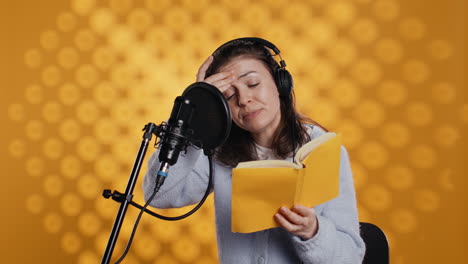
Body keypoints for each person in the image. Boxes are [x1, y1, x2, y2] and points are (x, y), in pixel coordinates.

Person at [143, 38, 365, 263]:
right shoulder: (217, 152)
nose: (244, 100)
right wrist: (193, 116)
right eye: (229, 95)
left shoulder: (325, 151)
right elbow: (158, 194)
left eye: (252, 84)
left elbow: (350, 258)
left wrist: (313, 231)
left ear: (281, 84)